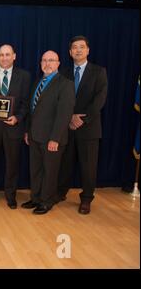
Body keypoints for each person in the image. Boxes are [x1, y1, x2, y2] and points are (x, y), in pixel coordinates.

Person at [57, 36, 108, 214]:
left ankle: (86, 199)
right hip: (67, 126)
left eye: (81, 47)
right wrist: (70, 116)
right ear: (70, 52)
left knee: (88, 166)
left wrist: (81, 119)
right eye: (74, 48)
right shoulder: (63, 73)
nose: (78, 50)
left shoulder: (99, 72)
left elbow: (99, 100)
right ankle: (60, 192)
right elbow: (59, 99)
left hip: (89, 128)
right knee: (64, 163)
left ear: (88, 50)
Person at [22, 50, 75, 214]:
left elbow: (64, 115)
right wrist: (27, 131)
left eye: (51, 60)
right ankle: (36, 198)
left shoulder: (65, 84)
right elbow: (33, 110)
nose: (47, 63)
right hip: (35, 136)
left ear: (58, 63)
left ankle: (46, 201)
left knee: (50, 171)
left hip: (52, 138)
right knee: (36, 170)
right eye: (44, 60)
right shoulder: (39, 81)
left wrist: (55, 139)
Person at [0, 44, 31, 209]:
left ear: (14, 56)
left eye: (8, 54)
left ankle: (10, 195)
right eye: (1, 55)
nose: (4, 58)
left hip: (13, 128)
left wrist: (17, 118)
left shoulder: (24, 76)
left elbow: (26, 103)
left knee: (12, 165)